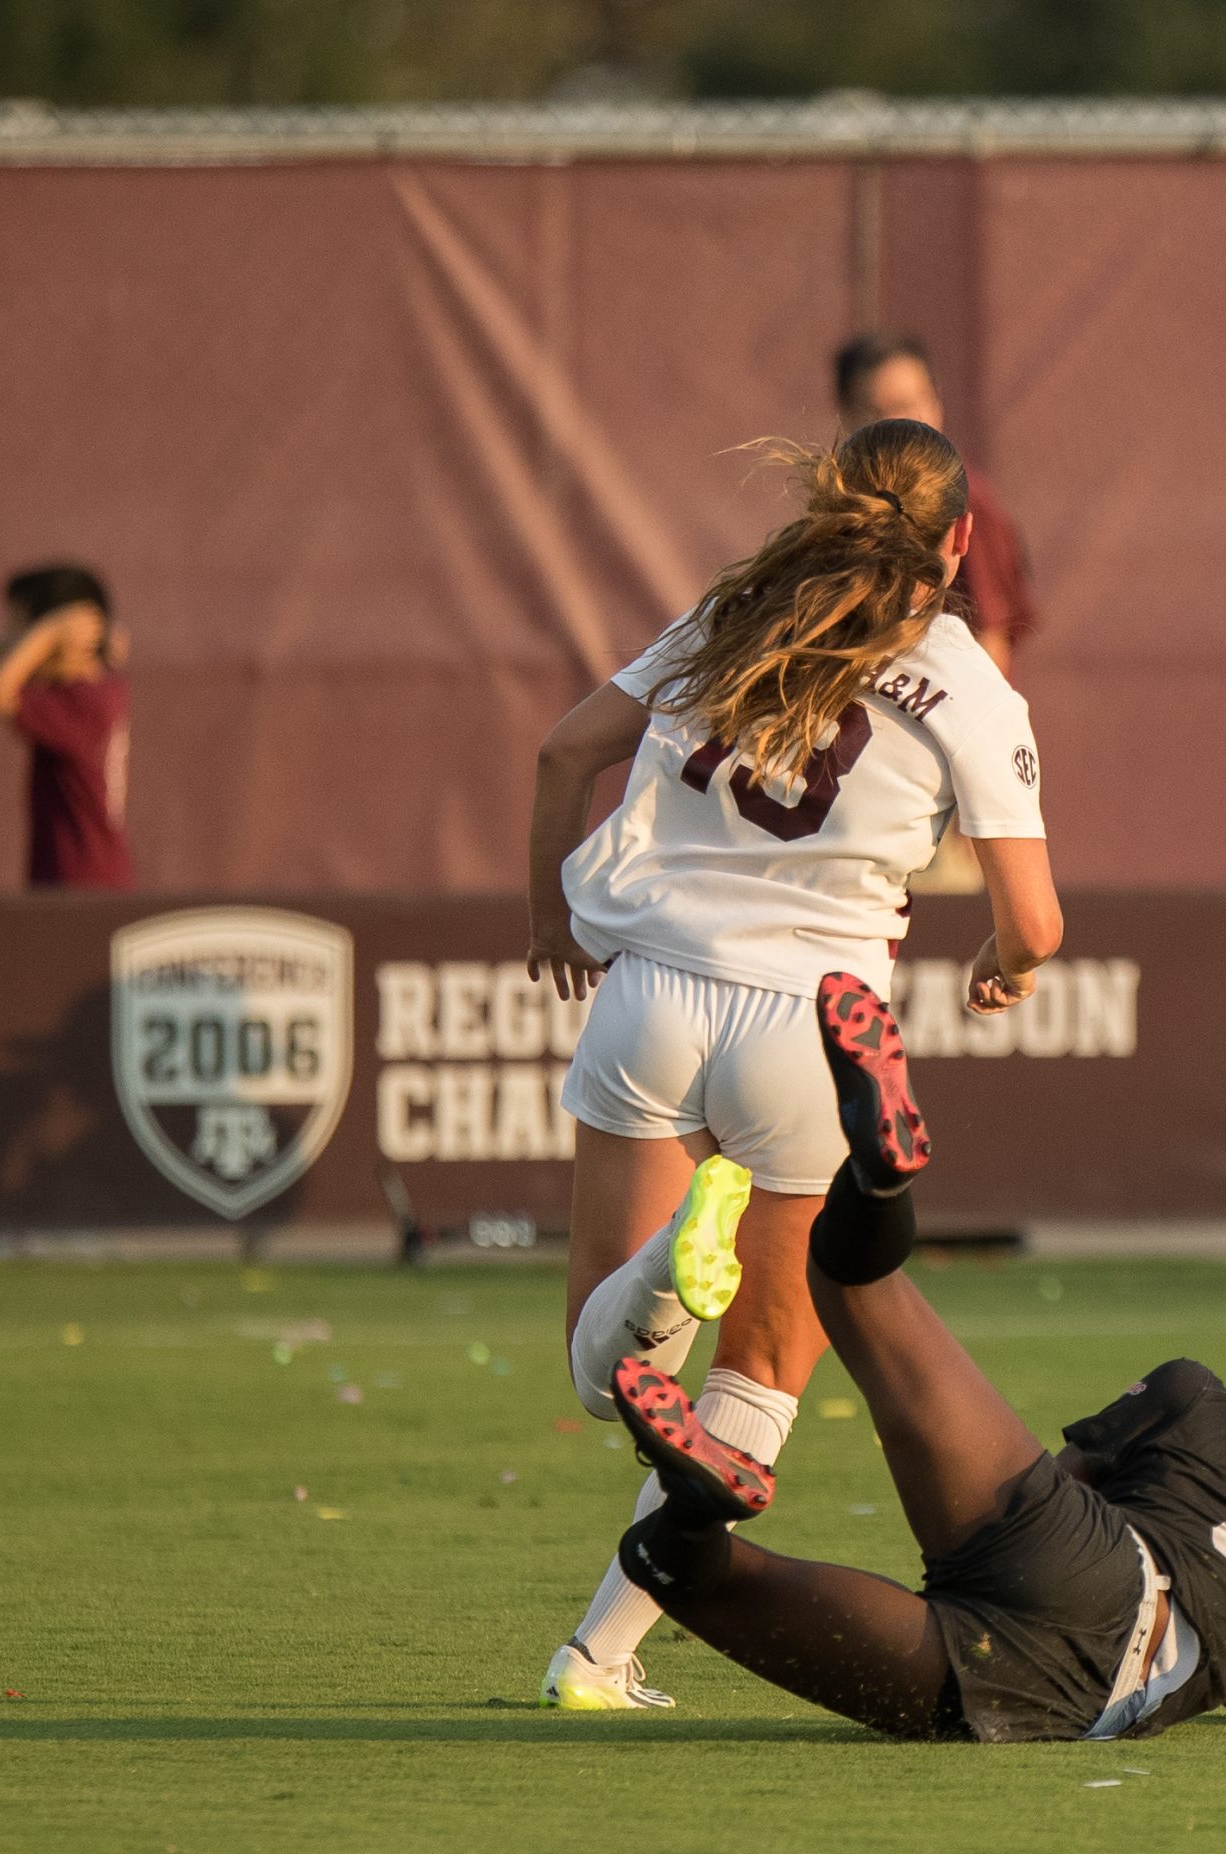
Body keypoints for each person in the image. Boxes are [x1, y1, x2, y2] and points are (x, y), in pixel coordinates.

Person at [523, 417, 1064, 1708]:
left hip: (652, 995)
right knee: (758, 1368)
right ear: (961, 540)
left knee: (607, 1375)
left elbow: (563, 751)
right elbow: (1035, 918)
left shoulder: (734, 613)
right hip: (813, 1032)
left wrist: (551, 913)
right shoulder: (968, 681)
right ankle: (600, 1654)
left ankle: (663, 1271)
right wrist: (1003, 961)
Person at [603, 971, 1226, 1740]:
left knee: (850, 1282)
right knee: (681, 1572)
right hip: (1054, 1696)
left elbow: (1067, 1481)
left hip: (1078, 1559)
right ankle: (697, 1504)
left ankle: (881, 1183)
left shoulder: (1201, 1399)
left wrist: (983, 1540)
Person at [833, 334, 1038, 676]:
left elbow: (991, 639)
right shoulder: (847, 496)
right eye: (885, 411)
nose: (908, 421)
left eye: (916, 402)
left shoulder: (962, 497)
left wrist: (967, 723)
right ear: (849, 415)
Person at [0, 562, 132, 889]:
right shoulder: (99, 690)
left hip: (80, 880)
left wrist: (47, 634)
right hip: (79, 877)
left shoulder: (83, 703)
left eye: (21, 631)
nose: (17, 645)